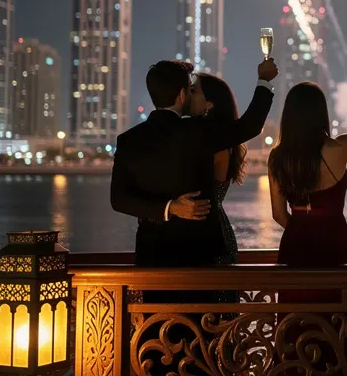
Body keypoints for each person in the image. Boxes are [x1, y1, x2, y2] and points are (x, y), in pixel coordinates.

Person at [110, 58, 277, 291]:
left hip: (151, 255)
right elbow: (250, 126)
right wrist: (264, 81)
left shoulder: (128, 140)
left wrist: (166, 208)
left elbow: (118, 200)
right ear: (181, 95)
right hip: (197, 256)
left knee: (154, 322)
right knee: (200, 323)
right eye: (189, 89)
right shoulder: (197, 131)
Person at [268, 65, 347, 376]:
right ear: (320, 115)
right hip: (333, 242)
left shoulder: (278, 158)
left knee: (295, 321)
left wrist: (301, 226)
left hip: (296, 244)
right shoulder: (337, 150)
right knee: (336, 321)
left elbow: (278, 214)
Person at [188, 73, 246, 303]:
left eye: (194, 90)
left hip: (212, 237)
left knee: (214, 315)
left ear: (209, 104)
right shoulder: (209, 138)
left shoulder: (217, 144)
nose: (187, 94)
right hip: (209, 231)